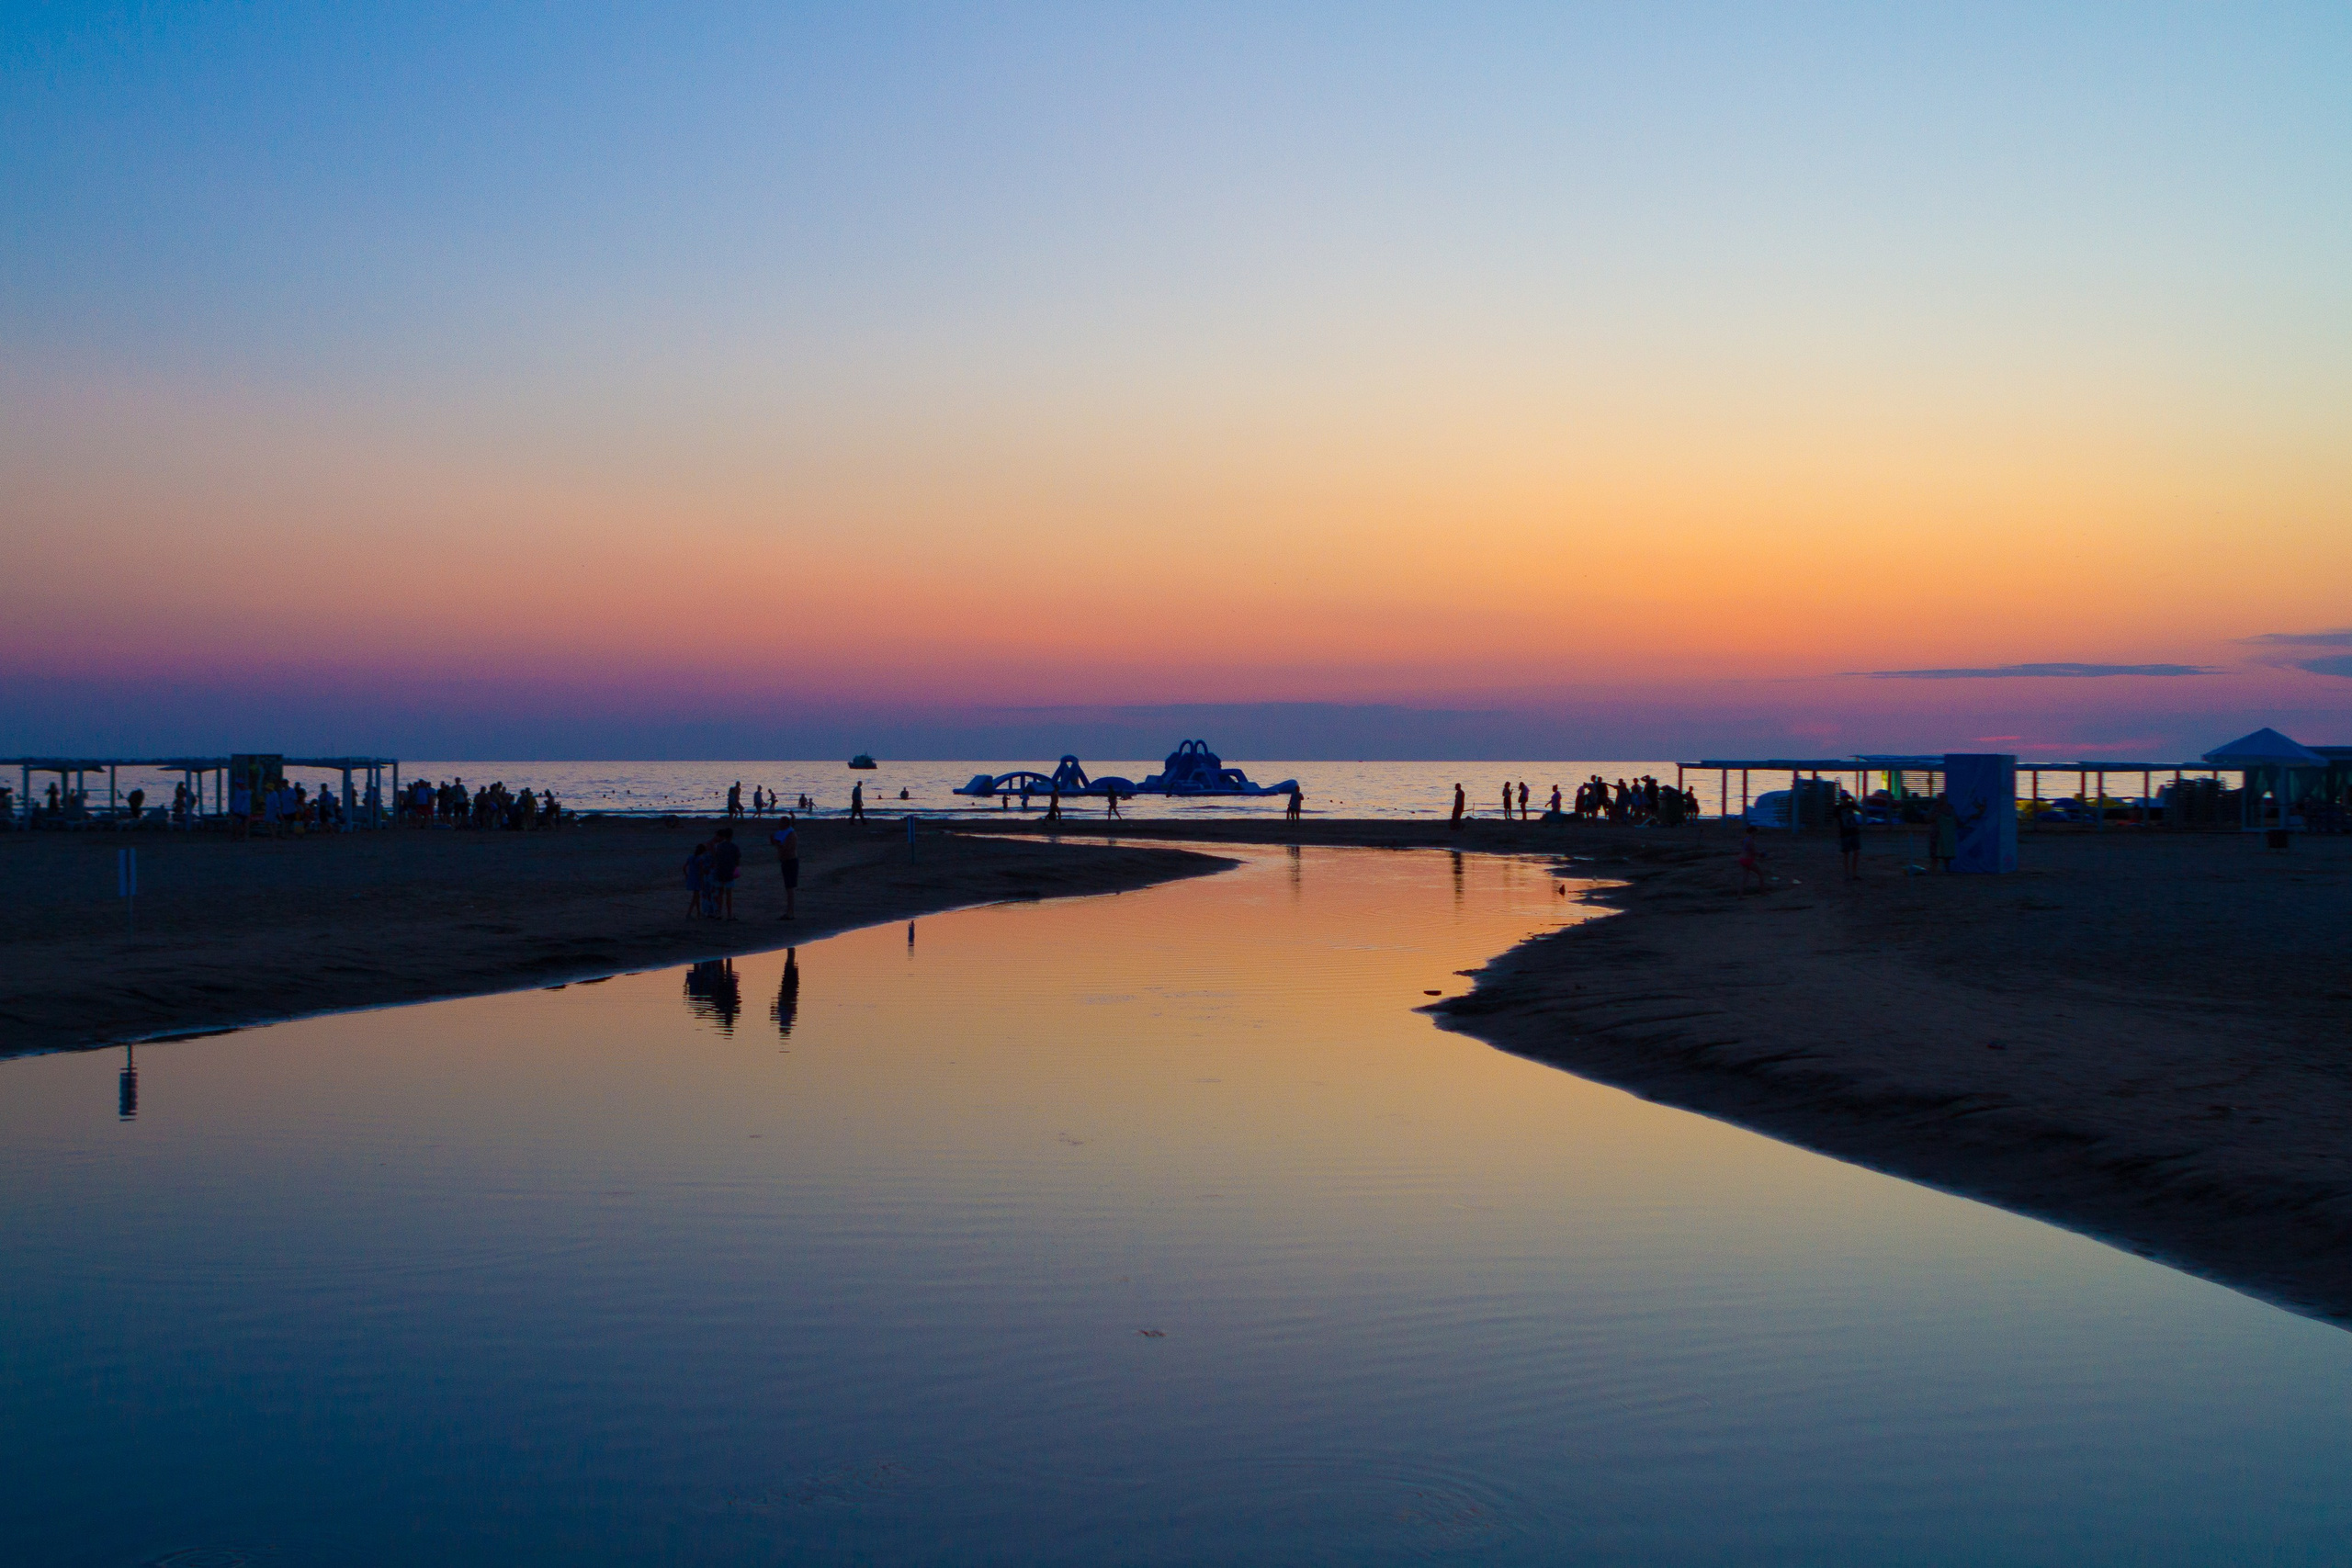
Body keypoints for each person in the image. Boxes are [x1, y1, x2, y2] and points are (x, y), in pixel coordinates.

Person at [770, 813, 799, 919]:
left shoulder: (791, 834)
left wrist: (778, 844)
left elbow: (787, 848)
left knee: (790, 888)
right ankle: (789, 911)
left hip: (791, 861)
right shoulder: (784, 833)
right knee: (788, 887)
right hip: (786, 861)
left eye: (780, 823)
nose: (778, 825)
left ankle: (790, 912)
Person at [710, 826, 741, 919]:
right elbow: (738, 860)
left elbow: (715, 857)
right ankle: (729, 914)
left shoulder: (719, 846)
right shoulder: (734, 847)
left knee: (720, 893)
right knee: (728, 894)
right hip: (729, 871)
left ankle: (719, 913)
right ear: (731, 836)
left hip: (720, 870)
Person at [1835, 791, 1863, 880]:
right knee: (1846, 854)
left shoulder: (1851, 805)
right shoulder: (1837, 808)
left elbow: (1861, 810)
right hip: (1845, 833)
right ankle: (1847, 874)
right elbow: (1835, 821)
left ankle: (1854, 874)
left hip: (1854, 831)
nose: (1845, 800)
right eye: (1844, 799)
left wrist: (1853, 799)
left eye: (1846, 798)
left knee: (1856, 852)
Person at [1930, 795, 1960, 872]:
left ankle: (1946, 869)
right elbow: (1928, 818)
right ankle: (1934, 869)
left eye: (1943, 798)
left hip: (1947, 834)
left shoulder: (1950, 808)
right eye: (1940, 798)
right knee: (1935, 854)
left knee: (1947, 854)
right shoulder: (1935, 808)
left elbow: (1957, 820)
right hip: (1937, 833)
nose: (1941, 800)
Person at [684, 839, 711, 919]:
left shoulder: (690, 857)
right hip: (697, 879)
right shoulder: (700, 860)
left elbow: (684, 867)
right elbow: (701, 872)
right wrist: (702, 883)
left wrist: (686, 875)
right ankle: (689, 913)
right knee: (695, 897)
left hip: (691, 878)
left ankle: (699, 912)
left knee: (696, 896)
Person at [1737, 824, 1766, 895]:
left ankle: (1739, 894)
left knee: (1744, 878)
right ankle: (1762, 891)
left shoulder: (1745, 839)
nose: (1756, 834)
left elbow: (1744, 846)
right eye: (1756, 833)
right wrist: (1761, 854)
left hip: (1742, 859)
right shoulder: (1750, 840)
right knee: (1761, 874)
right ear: (1753, 832)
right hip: (1748, 860)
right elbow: (1753, 851)